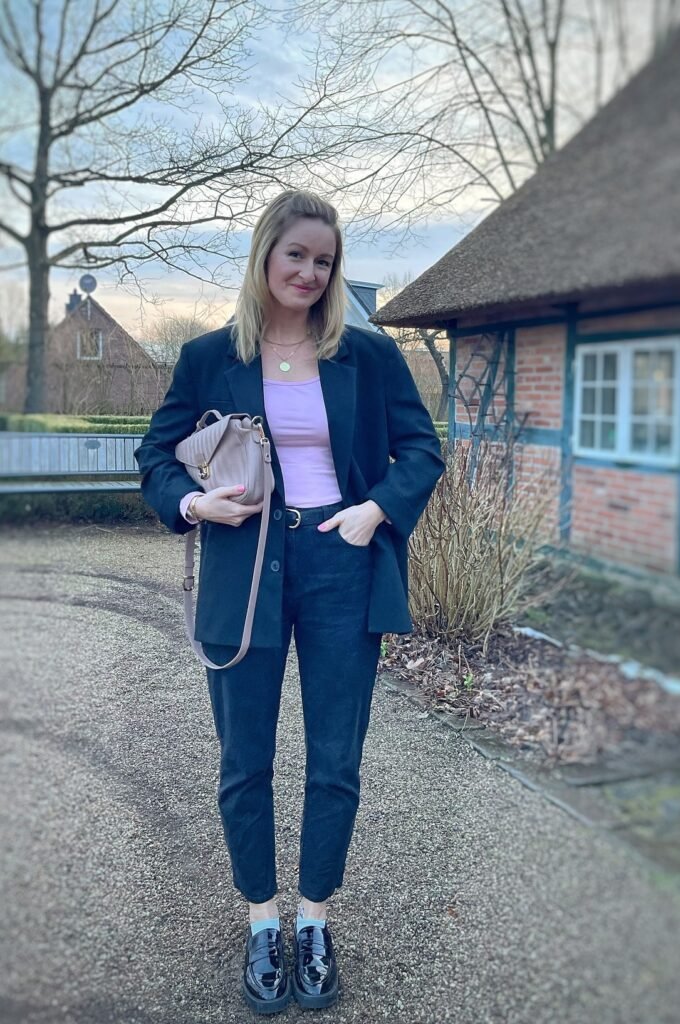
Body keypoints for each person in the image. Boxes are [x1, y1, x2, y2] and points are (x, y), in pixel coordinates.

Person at [135, 190, 444, 1014]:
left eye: (324, 260)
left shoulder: (367, 356)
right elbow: (156, 455)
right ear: (265, 255)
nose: (310, 272)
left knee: (334, 758)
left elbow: (420, 449)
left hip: (342, 560)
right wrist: (196, 506)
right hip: (247, 563)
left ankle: (314, 922)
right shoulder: (209, 355)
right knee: (245, 759)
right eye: (296, 255)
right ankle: (262, 922)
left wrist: (374, 510)